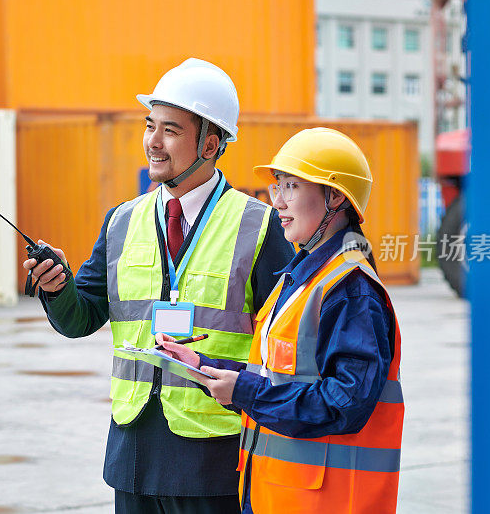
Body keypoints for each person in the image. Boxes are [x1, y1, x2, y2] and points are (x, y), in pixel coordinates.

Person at [24, 58, 295, 513]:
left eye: (170, 130)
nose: (152, 141)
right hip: (133, 453)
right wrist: (58, 288)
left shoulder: (261, 226)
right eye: (150, 125)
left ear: (210, 144)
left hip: (214, 456)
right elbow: (81, 318)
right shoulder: (121, 221)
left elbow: (284, 344)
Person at [157, 127, 404, 514]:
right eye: (277, 187)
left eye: (291, 186)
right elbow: (278, 375)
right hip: (282, 497)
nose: (278, 203)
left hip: (328, 502)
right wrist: (206, 368)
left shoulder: (350, 290)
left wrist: (245, 393)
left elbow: (345, 404)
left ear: (335, 196)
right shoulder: (300, 279)